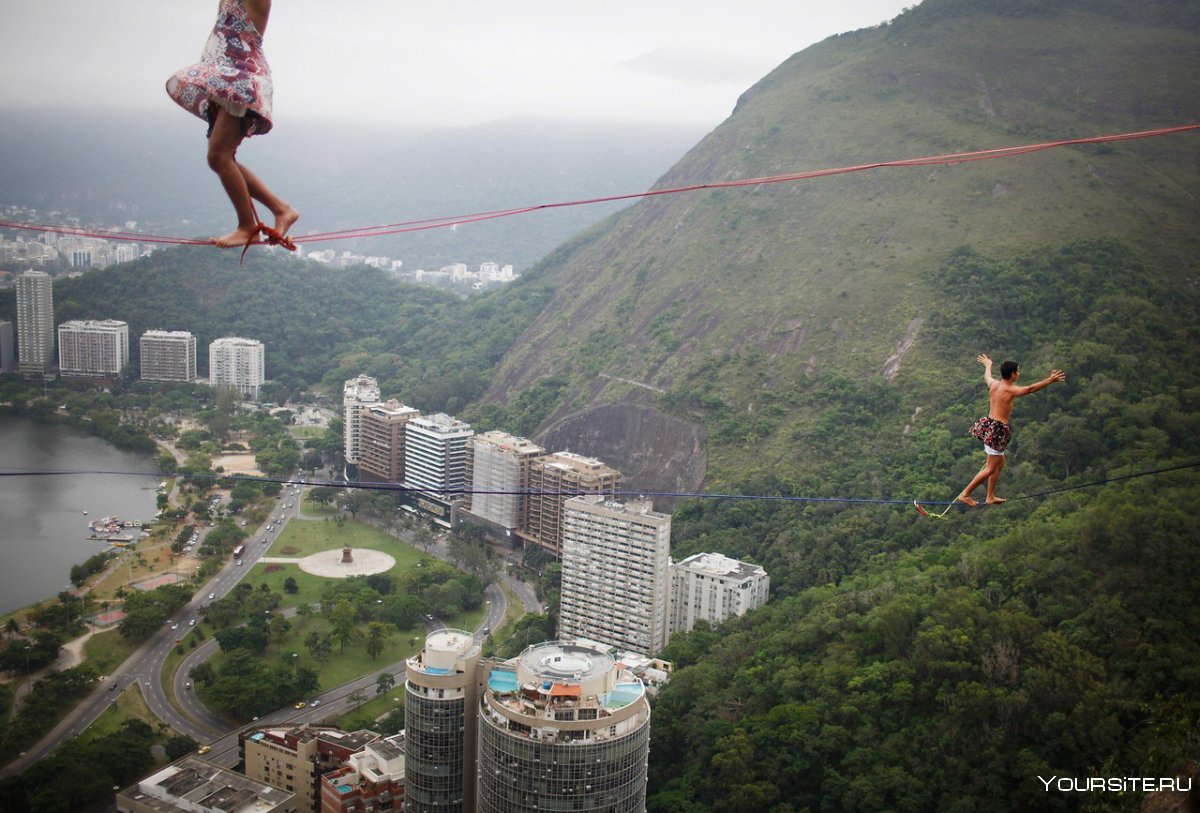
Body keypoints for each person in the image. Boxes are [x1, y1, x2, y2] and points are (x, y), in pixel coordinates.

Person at [166, 0, 298, 249]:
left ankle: (248, 226)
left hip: (240, 81)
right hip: (226, 81)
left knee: (219, 157)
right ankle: (282, 209)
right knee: (223, 158)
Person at [956, 354, 1066, 506]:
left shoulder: (994, 384)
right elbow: (1030, 389)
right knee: (989, 468)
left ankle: (990, 496)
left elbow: (987, 376)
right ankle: (965, 494)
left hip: (989, 425)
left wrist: (988, 364)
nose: (1019, 374)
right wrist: (1050, 380)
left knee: (1000, 463)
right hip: (997, 432)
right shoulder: (1009, 390)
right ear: (1013, 374)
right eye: (1018, 371)